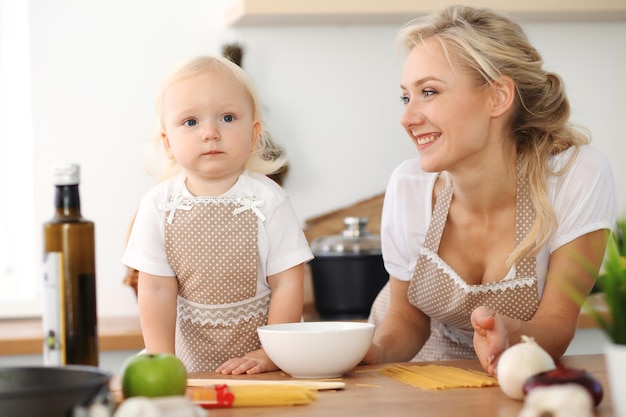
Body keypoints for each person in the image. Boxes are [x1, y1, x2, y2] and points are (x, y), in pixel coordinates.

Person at [363, 5, 617, 376]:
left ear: (497, 97)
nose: (407, 117)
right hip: (415, 366)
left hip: (517, 364)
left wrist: (513, 335)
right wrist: (370, 352)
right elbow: (406, 319)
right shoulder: (410, 187)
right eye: (406, 97)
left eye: (429, 92)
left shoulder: (574, 176)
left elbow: (559, 322)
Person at [123, 55, 313, 375]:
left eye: (227, 117)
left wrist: (271, 353)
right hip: (185, 362)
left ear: (254, 135)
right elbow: (155, 288)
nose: (210, 132)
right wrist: (163, 363)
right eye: (191, 122)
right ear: (168, 144)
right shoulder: (157, 206)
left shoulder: (269, 201)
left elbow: (288, 282)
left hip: (264, 367)